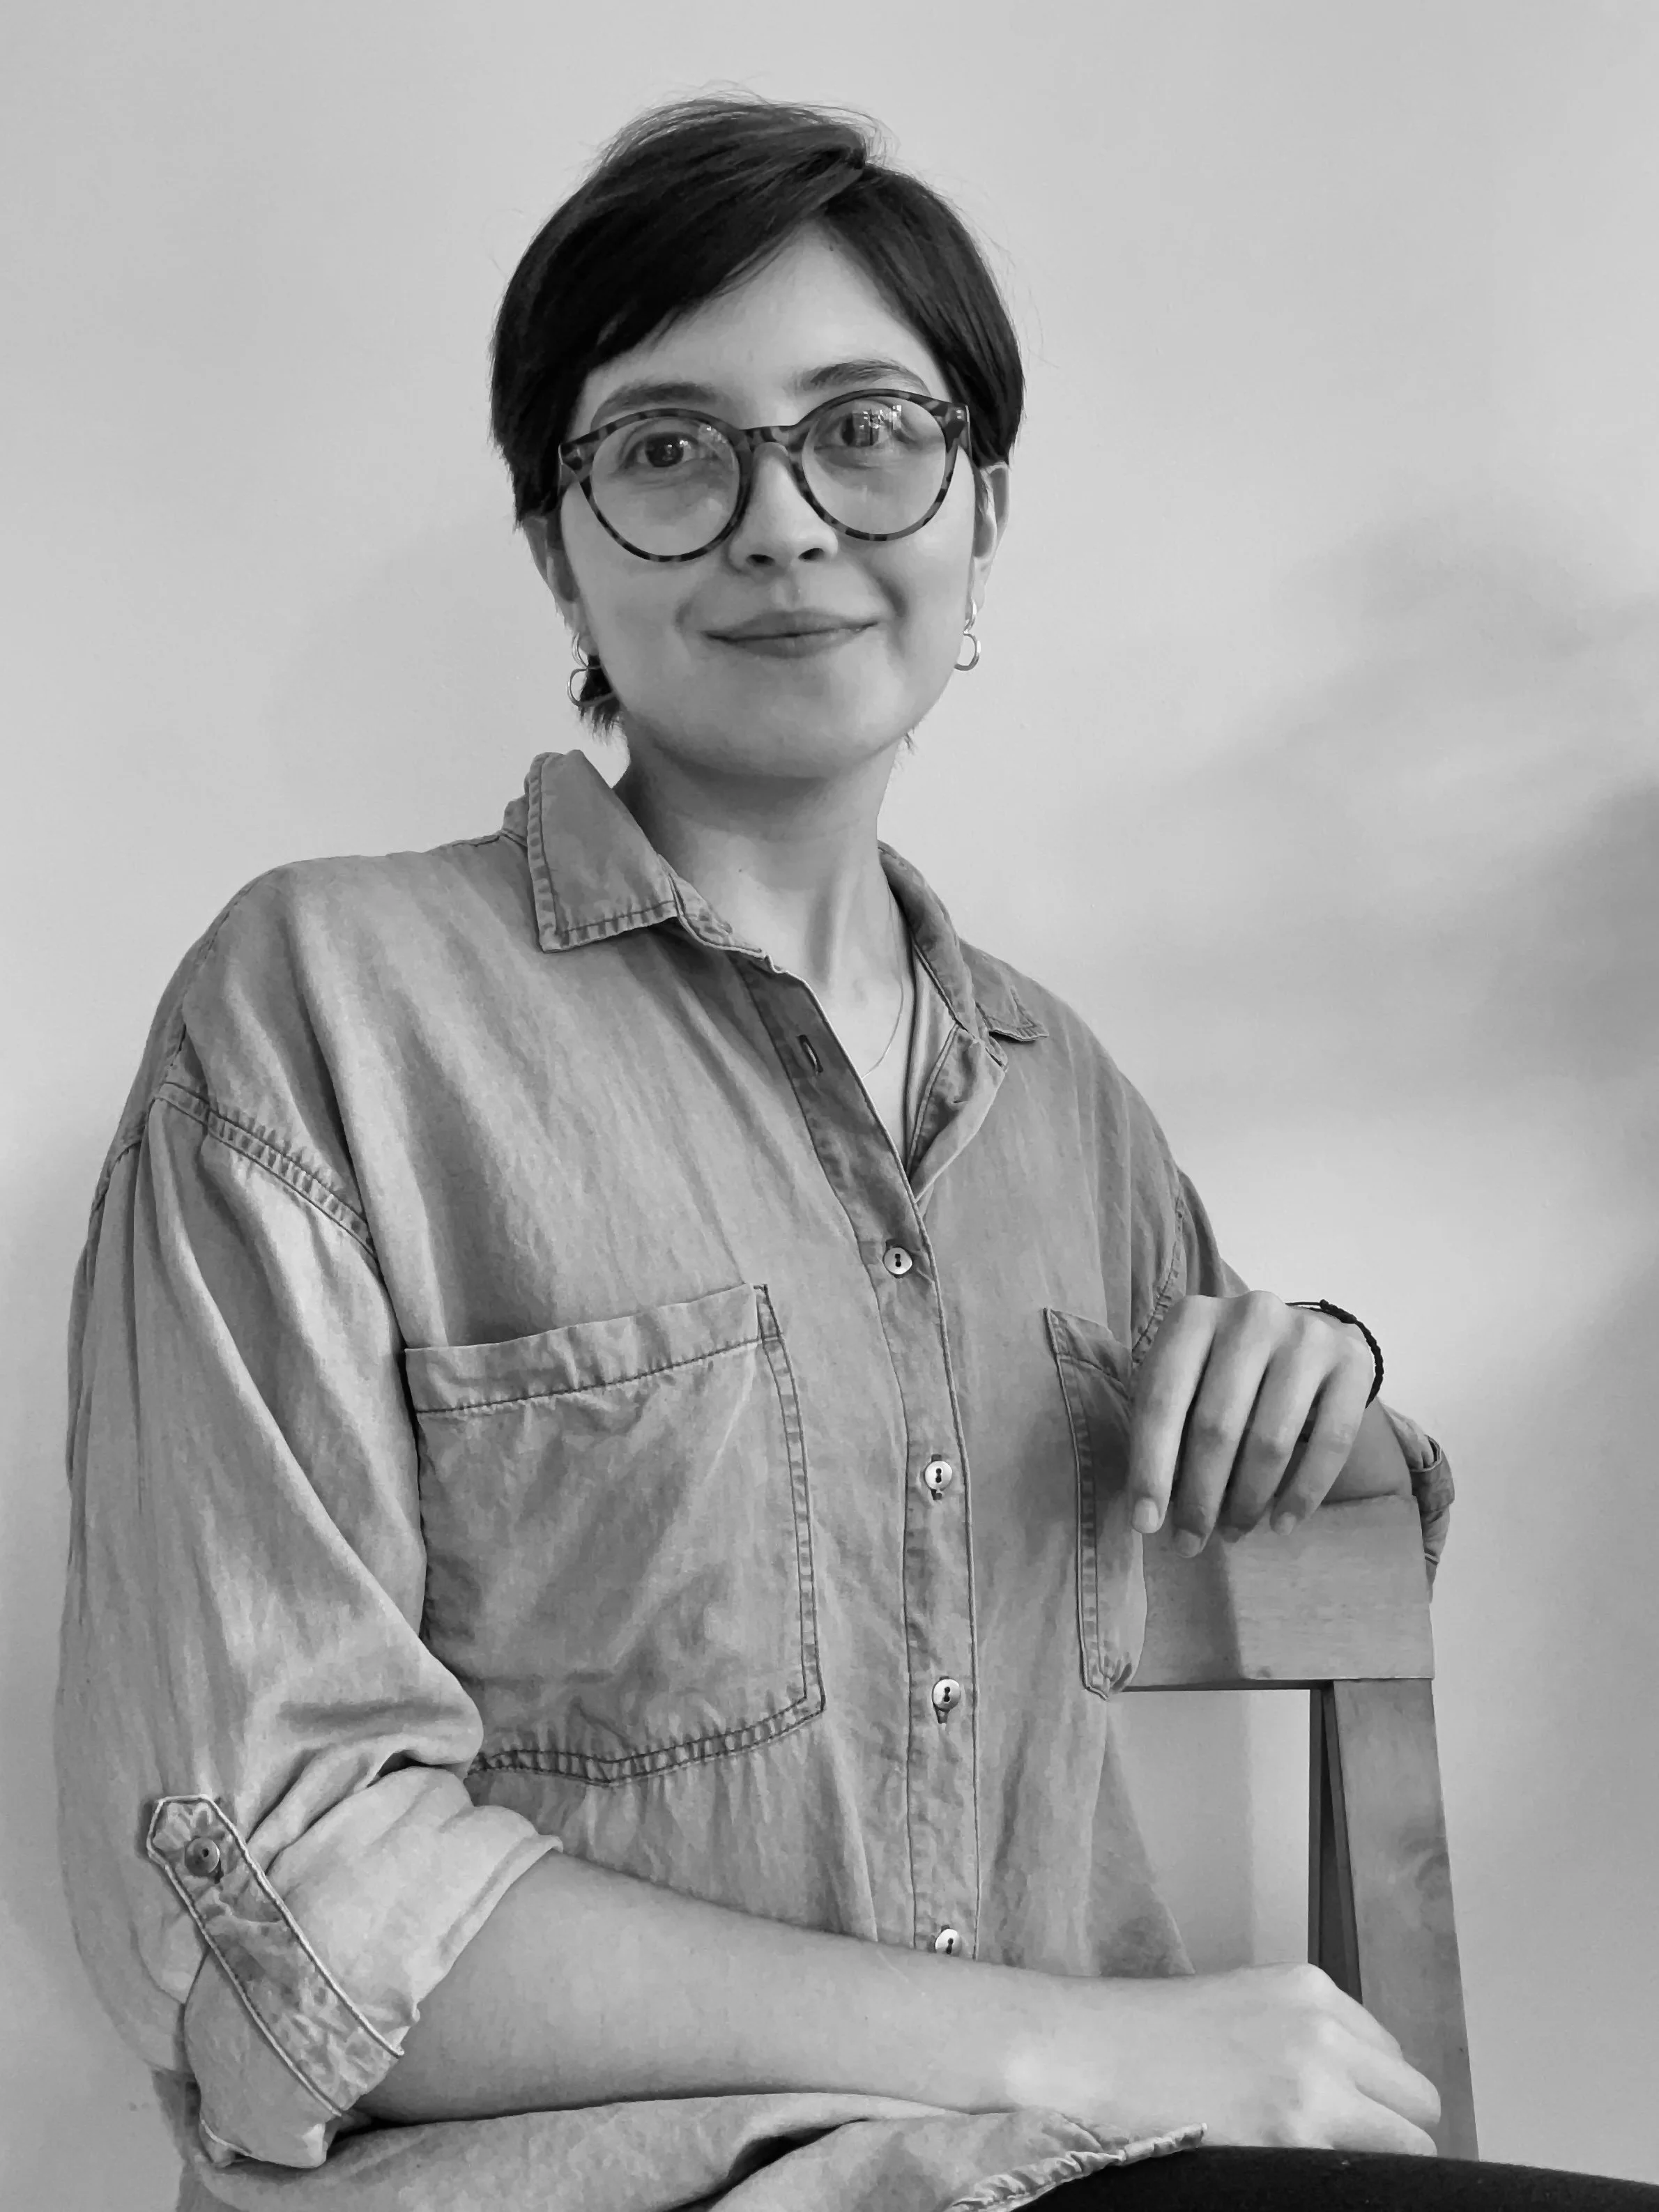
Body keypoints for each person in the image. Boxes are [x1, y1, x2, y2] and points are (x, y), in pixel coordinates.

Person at [55, 93, 1656, 2212]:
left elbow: (1304, 1523)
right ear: (555, 541)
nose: (783, 523)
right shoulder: (326, 1008)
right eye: (669, 449)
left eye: (867, 433)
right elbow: (281, 1919)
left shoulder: (1066, 1104)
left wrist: (1322, 1377)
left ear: (977, 510)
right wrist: (1081, 2040)